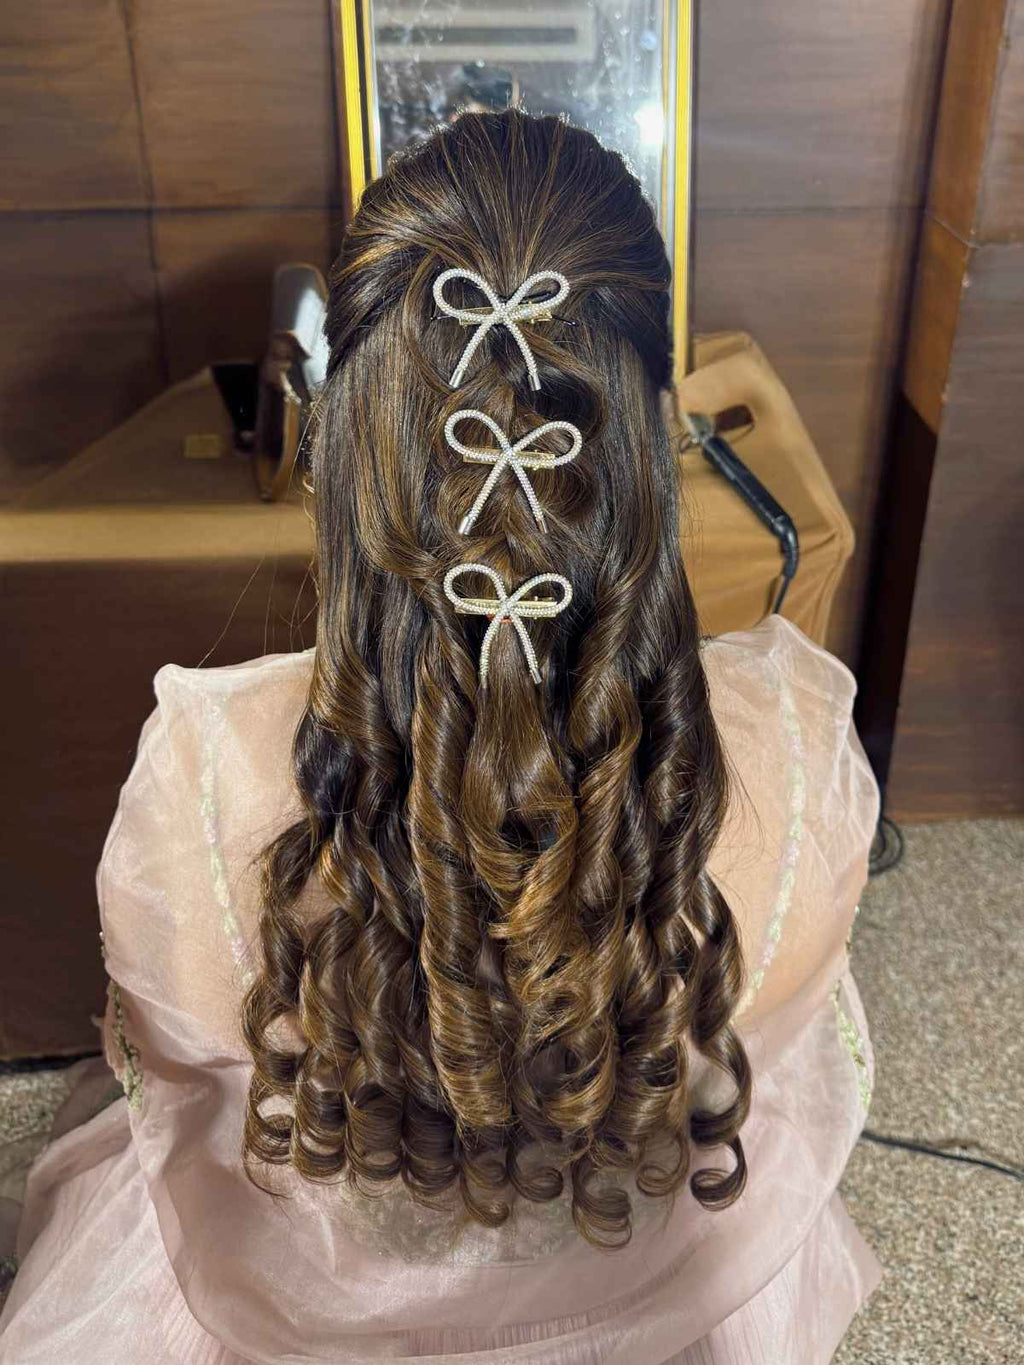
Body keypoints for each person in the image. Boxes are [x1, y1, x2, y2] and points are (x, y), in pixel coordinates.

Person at [0, 110, 881, 1363]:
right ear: (647, 438)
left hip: (307, 1313)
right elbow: (759, 1078)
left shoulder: (199, 783)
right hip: (650, 1297)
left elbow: (187, 1110)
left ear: (345, 447)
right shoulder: (798, 760)